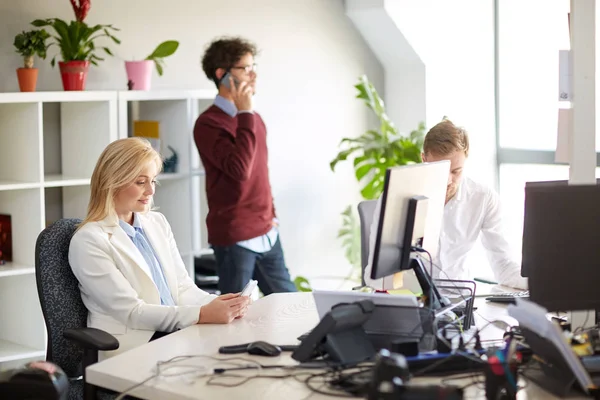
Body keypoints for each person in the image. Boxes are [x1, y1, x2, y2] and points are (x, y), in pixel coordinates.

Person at [69, 138, 251, 358]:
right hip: (133, 345)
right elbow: (132, 312)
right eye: (140, 182)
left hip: (174, 333)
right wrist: (202, 314)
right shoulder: (89, 240)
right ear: (112, 182)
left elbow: (182, 288)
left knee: (240, 351)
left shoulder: (157, 223)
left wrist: (221, 305)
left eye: (153, 181)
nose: (150, 191)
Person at [364, 119, 527, 290]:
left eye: (456, 171)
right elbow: (375, 275)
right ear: (423, 159)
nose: (448, 181)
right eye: (440, 170)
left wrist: (542, 285)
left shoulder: (483, 198)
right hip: (412, 299)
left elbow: (505, 267)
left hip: (462, 300)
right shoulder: (396, 198)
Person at [193, 36, 296, 295]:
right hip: (235, 236)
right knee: (236, 318)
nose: (253, 75)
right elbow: (240, 170)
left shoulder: (254, 119)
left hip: (267, 229)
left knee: (294, 308)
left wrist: (271, 214)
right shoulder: (209, 124)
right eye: (245, 68)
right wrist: (245, 113)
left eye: (253, 67)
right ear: (222, 74)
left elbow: (261, 172)